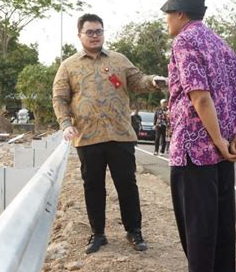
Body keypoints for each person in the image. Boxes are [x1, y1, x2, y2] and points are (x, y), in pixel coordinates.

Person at [157, 0, 236, 272]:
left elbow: (199, 97)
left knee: (196, 221)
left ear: (180, 14)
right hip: (224, 150)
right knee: (222, 217)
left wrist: (218, 141)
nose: (166, 20)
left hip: (195, 148)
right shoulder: (223, 46)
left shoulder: (184, 41)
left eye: (168, 14)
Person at [52, 13, 166, 254]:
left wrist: (154, 81)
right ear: (79, 35)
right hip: (87, 137)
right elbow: (60, 98)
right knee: (93, 186)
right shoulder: (68, 66)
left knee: (127, 184)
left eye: (99, 31)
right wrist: (65, 124)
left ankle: (134, 232)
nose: (95, 36)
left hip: (120, 135)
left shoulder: (118, 60)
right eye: (90, 32)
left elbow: (137, 81)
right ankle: (98, 233)